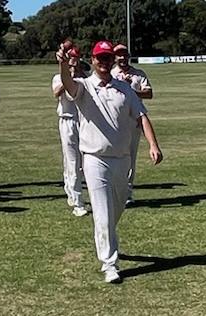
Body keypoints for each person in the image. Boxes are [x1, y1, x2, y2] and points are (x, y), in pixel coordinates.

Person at [56, 40, 163, 283]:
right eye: (99, 58)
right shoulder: (84, 87)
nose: (104, 62)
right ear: (92, 61)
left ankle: (105, 236)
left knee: (118, 207)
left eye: (107, 58)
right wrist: (63, 65)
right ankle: (109, 264)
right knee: (103, 214)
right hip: (95, 159)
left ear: (112, 60)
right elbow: (68, 84)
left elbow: (142, 116)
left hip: (122, 159)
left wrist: (153, 145)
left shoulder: (124, 89)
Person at [111, 44, 154, 207]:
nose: (122, 58)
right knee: (115, 157)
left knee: (130, 159)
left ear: (128, 56)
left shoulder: (138, 74)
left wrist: (131, 90)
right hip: (115, 121)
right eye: (118, 55)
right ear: (114, 58)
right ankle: (114, 190)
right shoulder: (111, 74)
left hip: (134, 121)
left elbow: (149, 93)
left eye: (124, 55)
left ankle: (127, 194)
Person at [51, 47, 89, 217]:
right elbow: (56, 93)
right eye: (71, 57)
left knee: (81, 161)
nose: (74, 60)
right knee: (72, 161)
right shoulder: (58, 77)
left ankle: (72, 191)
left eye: (76, 57)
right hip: (67, 120)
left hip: (83, 121)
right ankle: (78, 202)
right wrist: (69, 78)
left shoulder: (85, 78)